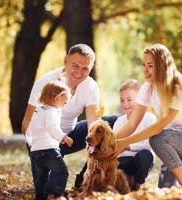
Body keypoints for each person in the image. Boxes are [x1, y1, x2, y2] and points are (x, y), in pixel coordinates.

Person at [115, 44, 182, 188]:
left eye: (150, 66)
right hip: (176, 141)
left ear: (162, 66)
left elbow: (158, 127)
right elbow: (131, 124)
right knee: (165, 188)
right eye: (144, 65)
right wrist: (109, 141)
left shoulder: (177, 88)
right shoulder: (146, 88)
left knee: (156, 138)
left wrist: (124, 142)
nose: (145, 70)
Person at [22, 44, 118, 190]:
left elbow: (92, 126)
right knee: (49, 190)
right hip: (44, 141)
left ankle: (85, 178)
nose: (79, 72)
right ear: (65, 61)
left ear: (91, 68)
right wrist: (41, 151)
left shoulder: (91, 86)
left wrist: (91, 162)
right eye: (75, 66)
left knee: (112, 123)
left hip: (70, 137)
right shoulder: (46, 83)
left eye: (85, 68)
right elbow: (26, 124)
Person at [27, 81, 73, 199]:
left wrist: (31, 144)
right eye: (65, 101)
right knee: (62, 172)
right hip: (49, 150)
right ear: (57, 98)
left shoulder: (38, 110)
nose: (65, 105)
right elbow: (53, 128)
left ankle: (40, 197)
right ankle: (59, 196)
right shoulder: (51, 112)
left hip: (36, 151)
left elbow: (30, 128)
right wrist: (64, 137)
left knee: (42, 177)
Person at [113, 79, 156, 191]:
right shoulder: (119, 122)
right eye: (122, 100)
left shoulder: (149, 118)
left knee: (145, 155)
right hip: (123, 161)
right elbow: (115, 145)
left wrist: (128, 146)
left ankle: (138, 184)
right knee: (110, 165)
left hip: (141, 159)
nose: (125, 104)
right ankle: (123, 181)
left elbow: (149, 145)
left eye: (129, 99)